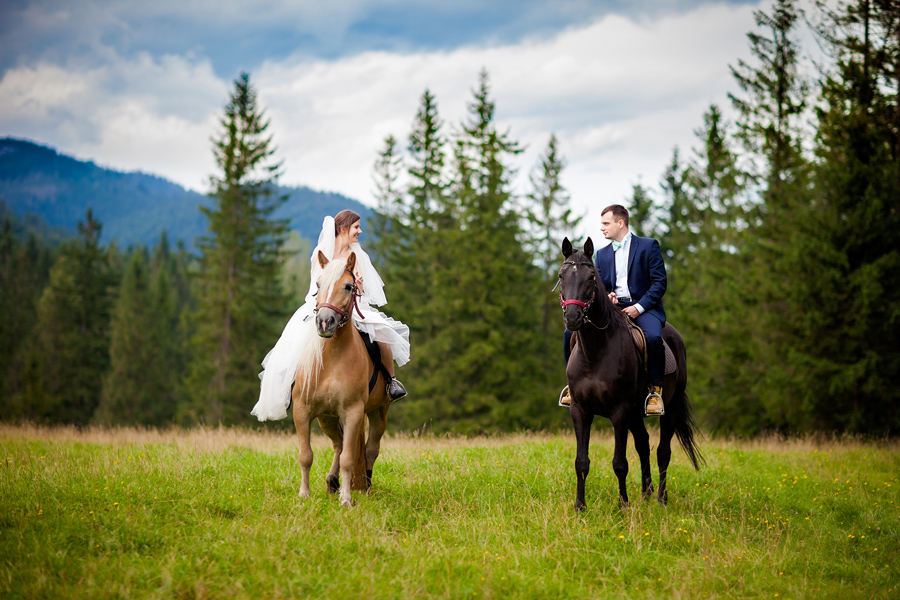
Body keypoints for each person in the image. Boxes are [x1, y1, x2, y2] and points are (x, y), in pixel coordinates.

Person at [251, 210, 410, 421]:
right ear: (343, 228)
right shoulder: (321, 252)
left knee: (382, 338)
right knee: (293, 346)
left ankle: (391, 382)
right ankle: (291, 387)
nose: (360, 231)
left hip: (352, 307)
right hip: (322, 306)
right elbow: (318, 285)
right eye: (356, 227)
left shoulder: (358, 255)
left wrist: (359, 283)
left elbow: (362, 292)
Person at [560, 204, 667, 416]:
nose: (602, 228)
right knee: (568, 334)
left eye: (606, 223)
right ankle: (572, 388)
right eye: (601, 224)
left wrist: (638, 307)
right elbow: (601, 284)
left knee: (654, 338)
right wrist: (608, 296)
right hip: (613, 309)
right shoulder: (602, 254)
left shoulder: (648, 246)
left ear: (621, 223)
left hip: (644, 308)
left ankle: (656, 391)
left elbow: (659, 283)